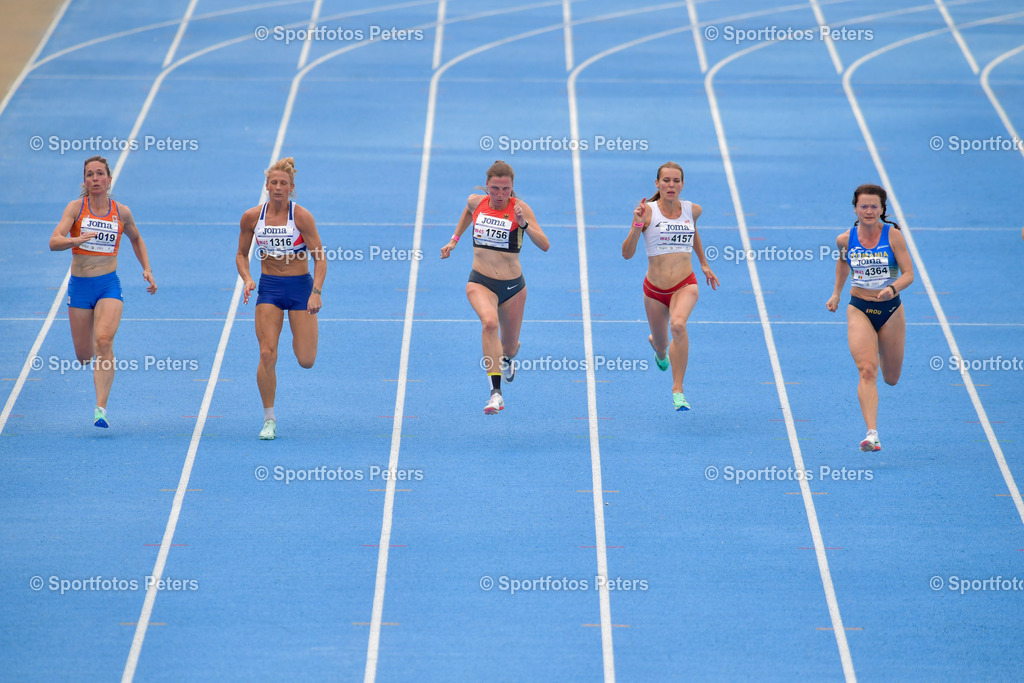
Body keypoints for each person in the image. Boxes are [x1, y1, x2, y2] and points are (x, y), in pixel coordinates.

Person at [49, 155, 157, 428]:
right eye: (90, 175)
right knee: (85, 355)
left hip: (109, 284)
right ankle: (94, 364)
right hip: (80, 286)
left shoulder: (121, 212)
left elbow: (136, 238)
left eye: (100, 174)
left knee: (105, 341)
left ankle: (101, 408)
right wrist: (76, 239)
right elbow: (54, 242)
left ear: (109, 180)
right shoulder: (76, 208)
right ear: (84, 181)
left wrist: (147, 268)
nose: (95, 179)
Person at [440, 160, 549, 414]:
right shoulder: (476, 202)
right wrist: (454, 240)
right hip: (480, 281)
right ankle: (496, 394)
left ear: (512, 188)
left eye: (506, 189)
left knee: (508, 348)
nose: (500, 195)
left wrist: (524, 225)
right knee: (489, 323)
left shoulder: (520, 209)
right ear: (487, 186)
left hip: (513, 288)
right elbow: (468, 212)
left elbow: (545, 245)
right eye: (495, 189)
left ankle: (510, 355)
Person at [236, 158, 326, 440]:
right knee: (266, 353)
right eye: (273, 183)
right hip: (270, 289)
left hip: (300, 289)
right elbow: (241, 254)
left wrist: (316, 292)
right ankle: (269, 418)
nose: (277, 187)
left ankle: (296, 331)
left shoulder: (301, 217)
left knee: (306, 359)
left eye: (283, 184)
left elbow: (320, 258)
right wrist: (248, 279)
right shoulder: (252, 217)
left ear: (291, 188)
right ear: (266, 186)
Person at [622, 161, 718, 411]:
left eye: (676, 181)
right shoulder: (648, 213)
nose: (671, 185)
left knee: (678, 325)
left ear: (683, 184)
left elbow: (693, 231)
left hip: (685, 284)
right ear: (657, 184)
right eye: (666, 180)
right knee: (663, 345)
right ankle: (659, 349)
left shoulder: (692, 210)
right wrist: (636, 224)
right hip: (654, 292)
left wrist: (704, 263)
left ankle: (678, 390)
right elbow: (627, 254)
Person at [826, 183, 914, 451]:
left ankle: (881, 351)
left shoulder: (893, 236)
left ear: (882, 209)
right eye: (863, 206)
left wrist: (891, 289)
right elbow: (843, 263)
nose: (868, 211)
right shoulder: (845, 239)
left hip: (890, 310)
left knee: (891, 377)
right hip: (859, 307)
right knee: (866, 369)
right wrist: (836, 294)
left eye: (874, 206)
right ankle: (872, 434)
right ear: (855, 208)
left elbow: (909, 274)